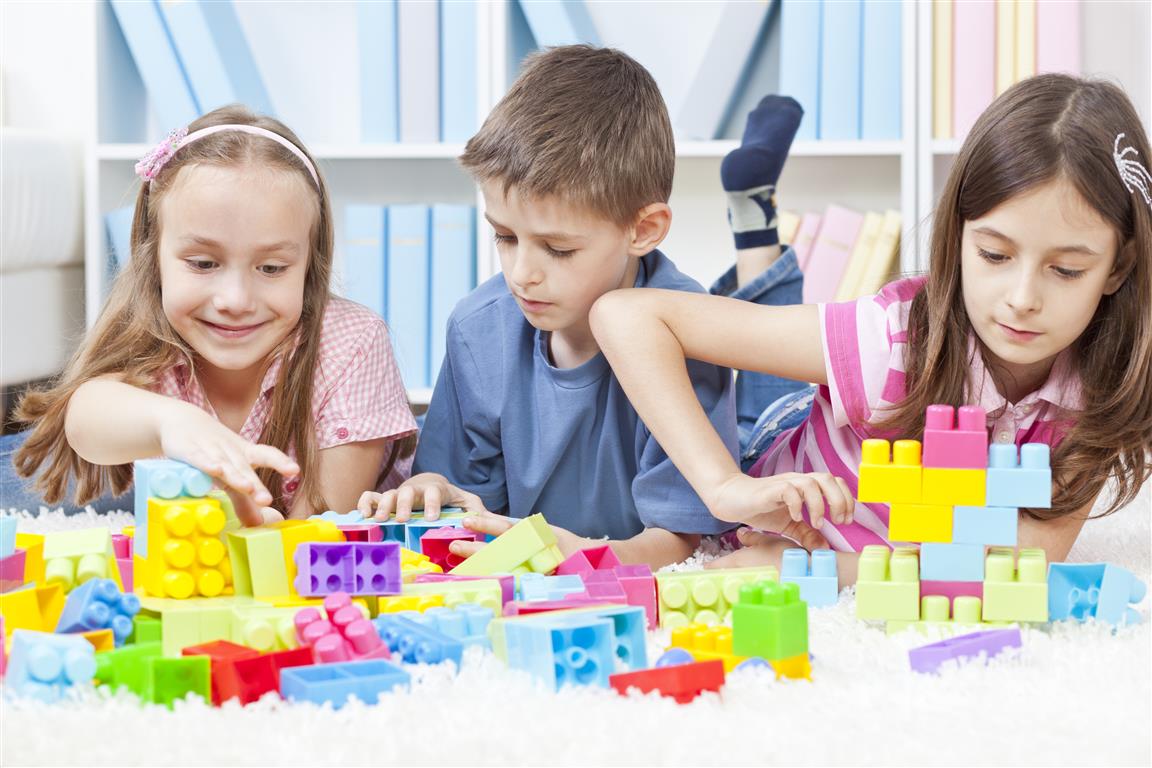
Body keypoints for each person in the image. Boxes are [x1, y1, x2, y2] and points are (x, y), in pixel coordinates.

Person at [591, 73, 1152, 581]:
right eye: (995, 256)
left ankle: (755, 214)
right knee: (753, 409)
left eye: (1066, 269)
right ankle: (754, 223)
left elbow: (1019, 563)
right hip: (784, 450)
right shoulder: (889, 341)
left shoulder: (1103, 392)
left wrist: (829, 569)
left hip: (848, 457)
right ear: (958, 237)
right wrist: (724, 487)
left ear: (1118, 267)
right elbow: (625, 315)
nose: (1023, 299)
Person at [357, 45, 852, 569]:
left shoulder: (686, 326)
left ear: (642, 230)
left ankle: (757, 231)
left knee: (768, 422)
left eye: (559, 249)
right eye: (504, 236)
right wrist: (433, 490)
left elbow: (685, 547)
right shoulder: (477, 329)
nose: (522, 271)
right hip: (602, 535)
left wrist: (582, 556)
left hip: (738, 469)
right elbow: (462, 505)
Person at [5, 105, 417, 525]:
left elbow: (325, 528)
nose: (235, 299)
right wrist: (173, 422)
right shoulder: (152, 333)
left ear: (310, 265)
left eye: (271, 268)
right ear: (153, 258)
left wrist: (259, 534)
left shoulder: (352, 341)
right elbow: (84, 420)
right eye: (203, 264)